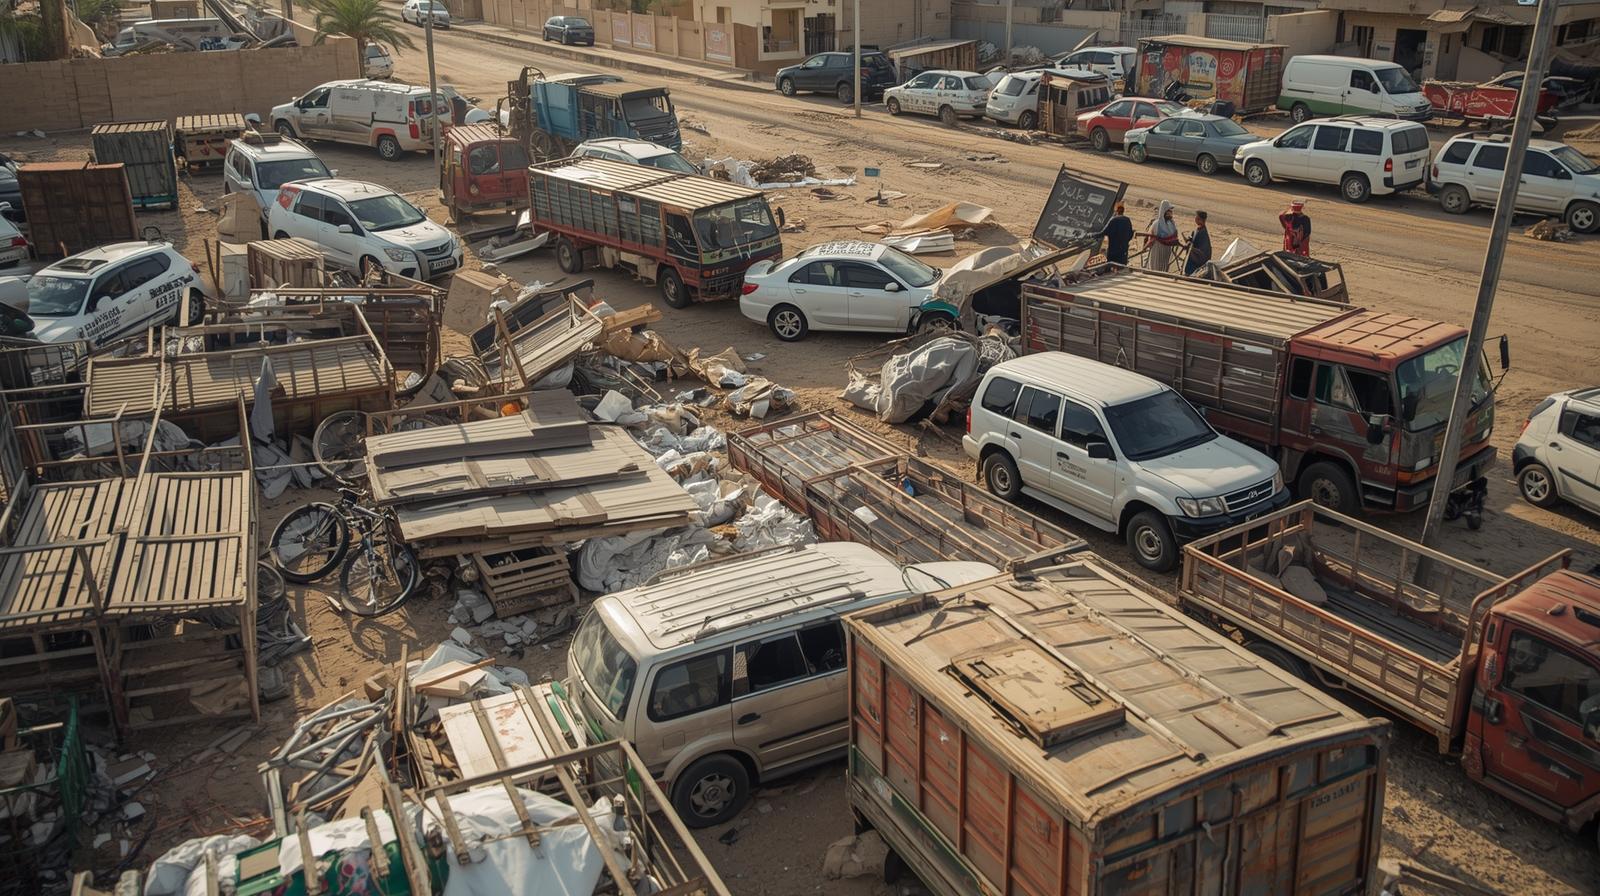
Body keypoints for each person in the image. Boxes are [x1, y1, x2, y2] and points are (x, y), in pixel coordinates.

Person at [1144, 201, 1180, 271]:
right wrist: (1145, 247)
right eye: (1169, 211)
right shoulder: (1156, 224)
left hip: (1167, 252)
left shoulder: (1172, 224)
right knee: (1155, 268)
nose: (1171, 213)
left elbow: (1175, 237)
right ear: (1164, 211)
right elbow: (1152, 239)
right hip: (1157, 250)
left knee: (1164, 268)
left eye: (1171, 211)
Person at [1184, 210, 1212, 276]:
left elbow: (1202, 251)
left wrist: (1190, 246)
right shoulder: (1199, 229)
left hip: (1197, 261)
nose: (1195, 219)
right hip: (1194, 259)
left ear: (1200, 219)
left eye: (1196, 218)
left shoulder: (1202, 232)